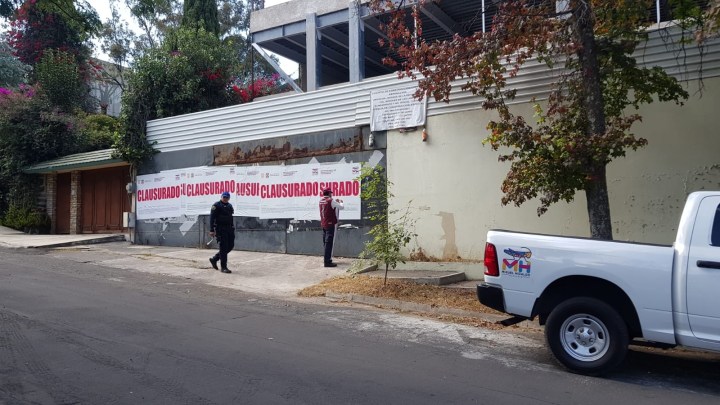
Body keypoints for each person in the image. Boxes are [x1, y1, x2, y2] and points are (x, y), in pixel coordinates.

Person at [209, 191, 235, 274]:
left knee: (230, 246)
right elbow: (212, 218)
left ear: (229, 198)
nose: (225, 199)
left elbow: (230, 217)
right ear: (221, 197)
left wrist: (232, 227)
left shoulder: (230, 206)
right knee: (223, 248)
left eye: (227, 197)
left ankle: (215, 258)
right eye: (224, 197)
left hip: (229, 229)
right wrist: (212, 230)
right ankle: (223, 267)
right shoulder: (216, 205)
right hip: (221, 229)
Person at [319, 188, 344, 267]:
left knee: (325, 243)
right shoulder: (331, 201)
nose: (331, 194)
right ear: (329, 193)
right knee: (329, 243)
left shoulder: (321, 201)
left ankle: (327, 259)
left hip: (324, 224)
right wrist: (341, 202)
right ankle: (327, 261)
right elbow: (341, 207)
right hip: (330, 225)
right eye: (331, 193)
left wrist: (335, 202)